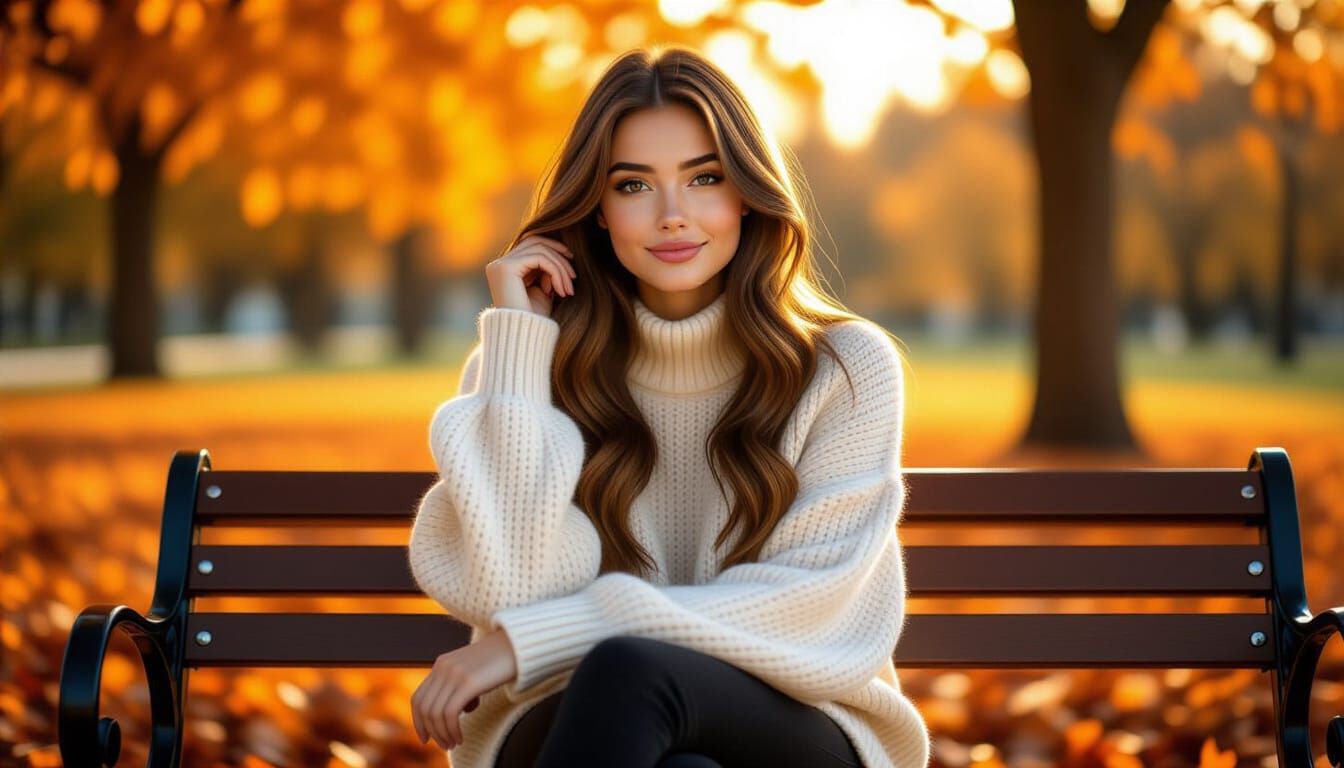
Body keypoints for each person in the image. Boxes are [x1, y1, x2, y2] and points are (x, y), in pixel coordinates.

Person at [406, 45, 929, 768]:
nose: (673, 216)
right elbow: (509, 592)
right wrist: (523, 344)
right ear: (595, 207)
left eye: (704, 178)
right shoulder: (522, 368)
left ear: (746, 192)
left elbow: (807, 607)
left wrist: (546, 638)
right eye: (634, 186)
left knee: (633, 671)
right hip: (568, 712)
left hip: (798, 716)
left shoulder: (844, 368)